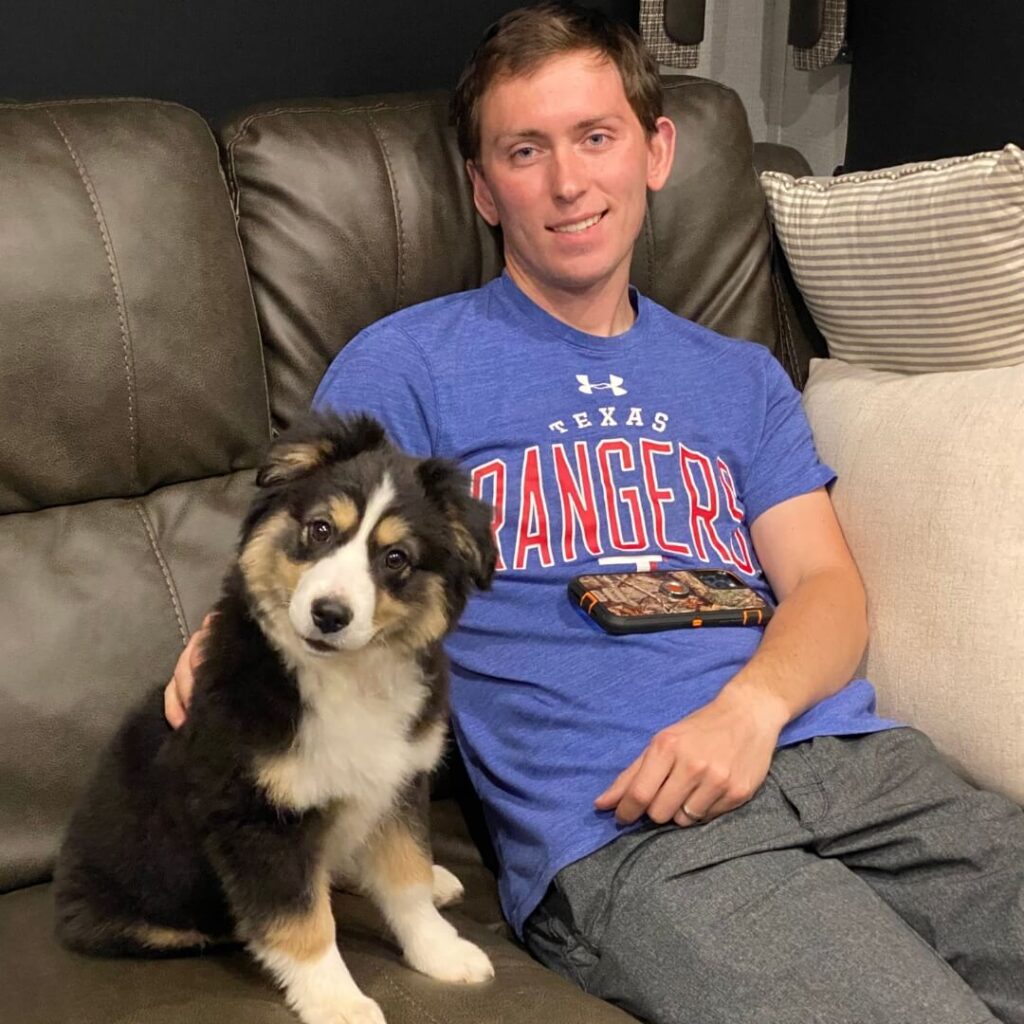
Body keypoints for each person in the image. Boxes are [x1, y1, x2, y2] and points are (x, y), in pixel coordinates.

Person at [166, 5, 1024, 1022]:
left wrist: (748, 711)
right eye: (524, 151)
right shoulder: (411, 365)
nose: (567, 182)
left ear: (654, 151)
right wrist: (231, 641)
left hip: (861, 769)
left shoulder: (739, 377)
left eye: (595, 136)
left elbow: (830, 590)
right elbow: (311, 549)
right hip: (634, 828)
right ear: (484, 187)